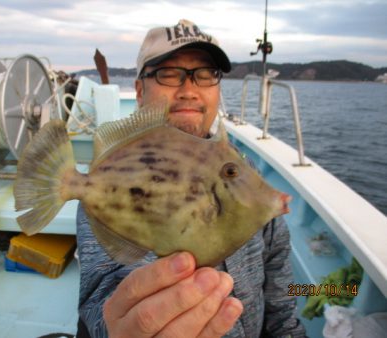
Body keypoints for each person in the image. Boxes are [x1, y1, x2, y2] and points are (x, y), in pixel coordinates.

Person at [76, 19, 306, 338]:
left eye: (206, 74)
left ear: (217, 89)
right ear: (140, 91)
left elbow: (281, 300)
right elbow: (101, 297)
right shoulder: (114, 182)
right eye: (168, 74)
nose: (189, 90)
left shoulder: (246, 172)